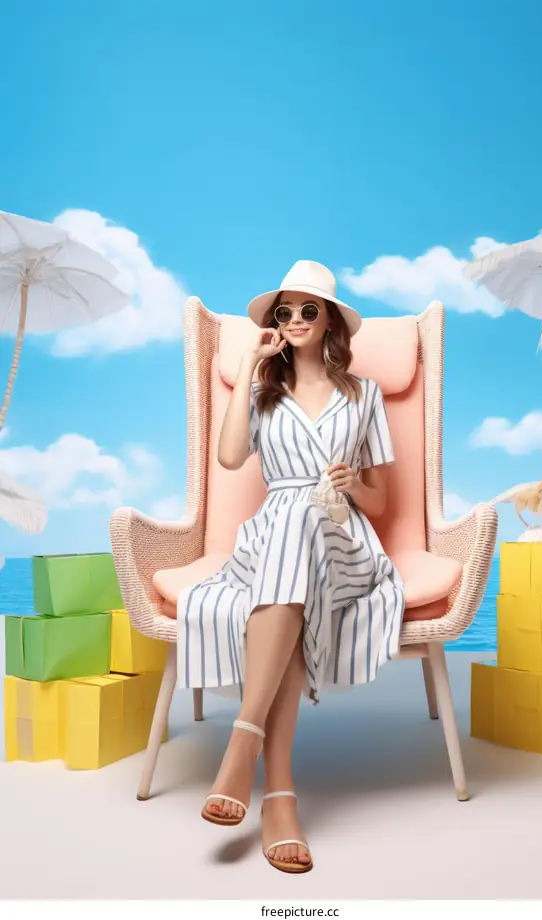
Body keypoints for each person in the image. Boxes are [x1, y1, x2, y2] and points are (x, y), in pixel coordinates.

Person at [158, 260, 405, 874]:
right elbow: (231, 455)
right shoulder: (264, 394)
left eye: (307, 311)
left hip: (343, 538)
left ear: (330, 324)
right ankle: (279, 796)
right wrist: (248, 366)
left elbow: (383, 502)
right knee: (289, 545)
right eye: (284, 313)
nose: (294, 321)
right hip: (272, 540)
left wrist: (354, 486)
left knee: (301, 528)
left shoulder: (364, 396)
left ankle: (245, 742)